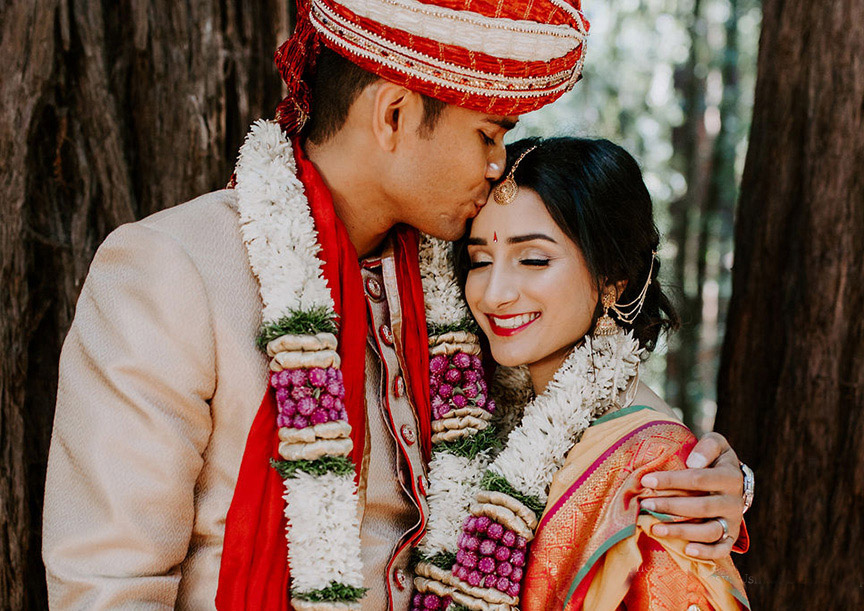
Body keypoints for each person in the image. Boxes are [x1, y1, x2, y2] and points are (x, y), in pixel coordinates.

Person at [41, 1, 751, 609]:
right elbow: (108, 585)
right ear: (394, 115)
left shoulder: (454, 284)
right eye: (488, 134)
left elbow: (575, 408)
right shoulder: (175, 269)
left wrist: (712, 479)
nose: (497, 166)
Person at [455, 137, 750, 610]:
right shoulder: (481, 411)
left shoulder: (659, 468)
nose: (494, 294)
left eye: (533, 260)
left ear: (613, 278)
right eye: (480, 261)